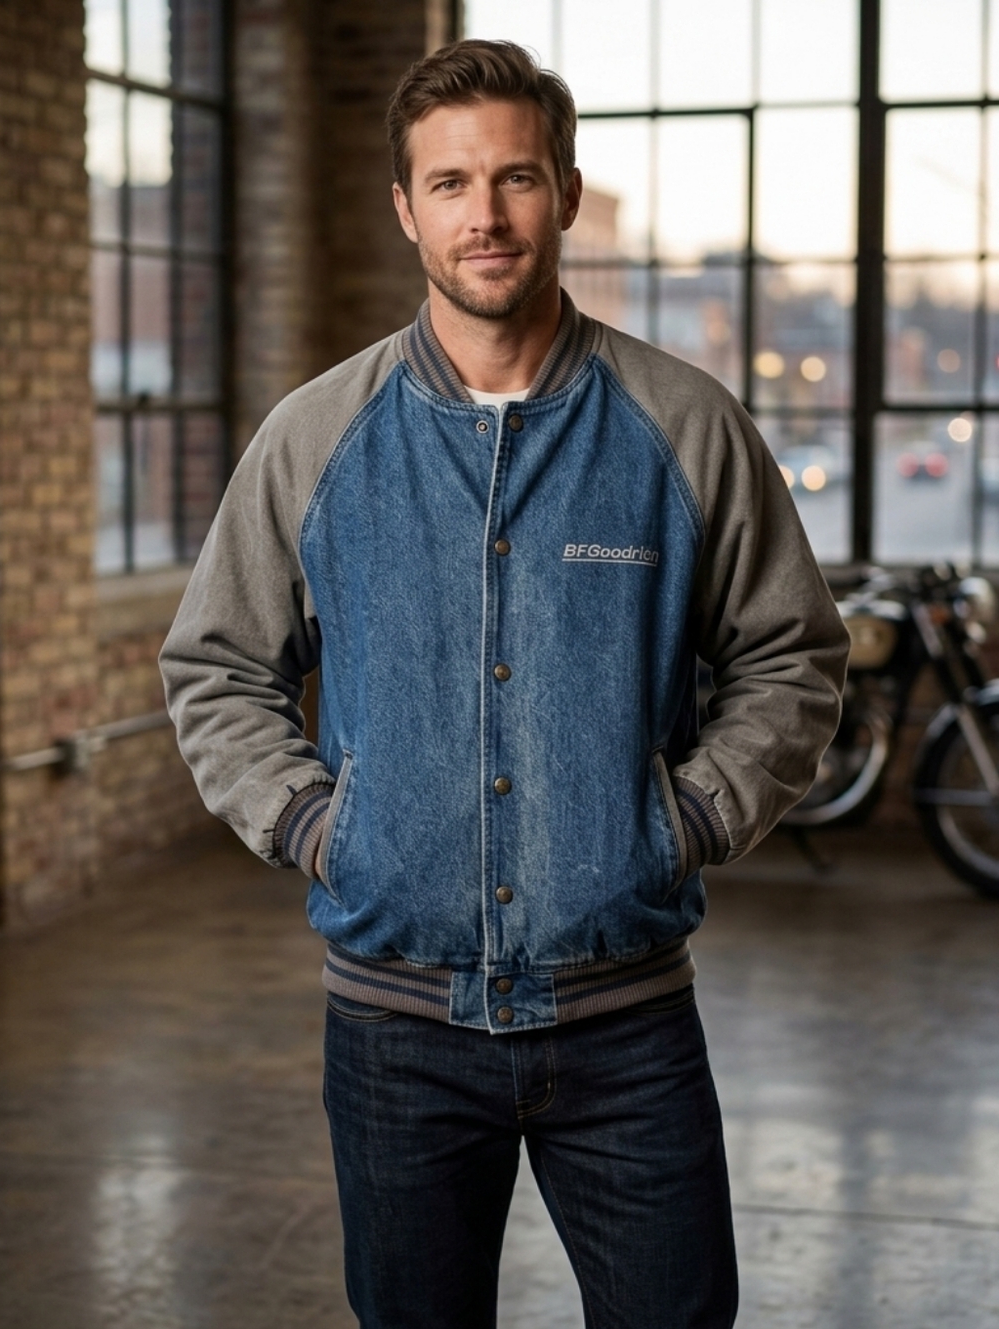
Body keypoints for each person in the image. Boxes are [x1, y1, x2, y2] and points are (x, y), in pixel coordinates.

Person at [161, 38, 849, 1329]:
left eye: (518, 177)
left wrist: (685, 820)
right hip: (395, 1031)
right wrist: (324, 826)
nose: (486, 215)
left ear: (568, 193)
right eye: (452, 182)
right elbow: (217, 666)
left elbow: (790, 652)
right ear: (406, 208)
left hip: (627, 1023)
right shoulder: (315, 436)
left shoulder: (683, 423)